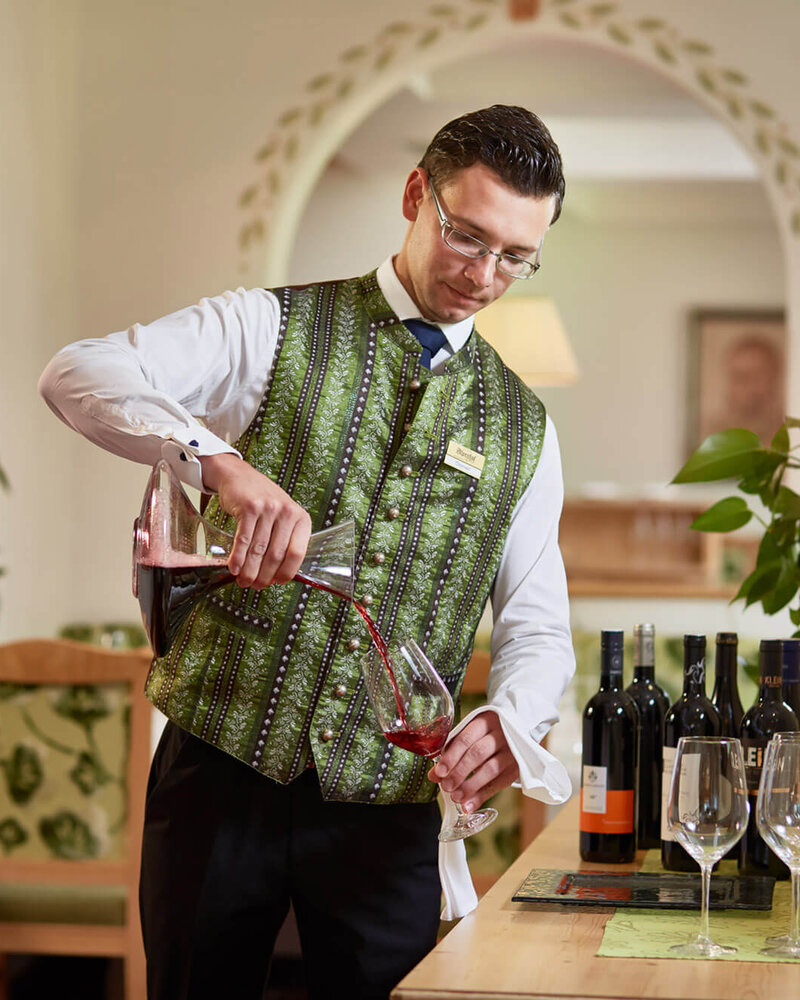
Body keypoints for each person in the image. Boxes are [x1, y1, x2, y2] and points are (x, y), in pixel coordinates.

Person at [39, 105, 575, 1000]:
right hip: (220, 770)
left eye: (515, 256)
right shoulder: (265, 328)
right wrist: (221, 467)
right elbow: (78, 372)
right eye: (467, 237)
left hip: (388, 803)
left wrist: (511, 721)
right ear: (415, 195)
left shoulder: (527, 428)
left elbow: (537, 623)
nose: (485, 276)